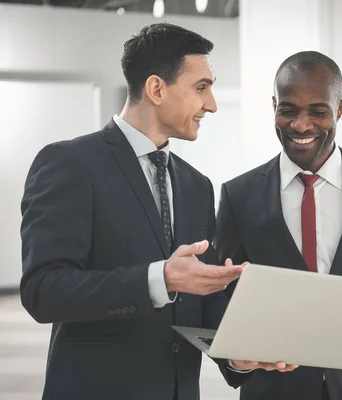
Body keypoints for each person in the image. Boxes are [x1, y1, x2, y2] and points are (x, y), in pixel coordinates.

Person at [20, 23, 295, 400]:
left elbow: (203, 299)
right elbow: (43, 291)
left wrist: (238, 355)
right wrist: (159, 279)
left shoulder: (197, 185)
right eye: (201, 88)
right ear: (156, 88)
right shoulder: (69, 164)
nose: (211, 104)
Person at [214, 51, 342, 400]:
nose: (301, 124)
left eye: (318, 111)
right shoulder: (239, 194)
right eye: (288, 109)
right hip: (274, 388)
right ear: (273, 106)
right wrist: (236, 361)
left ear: (339, 109)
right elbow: (222, 297)